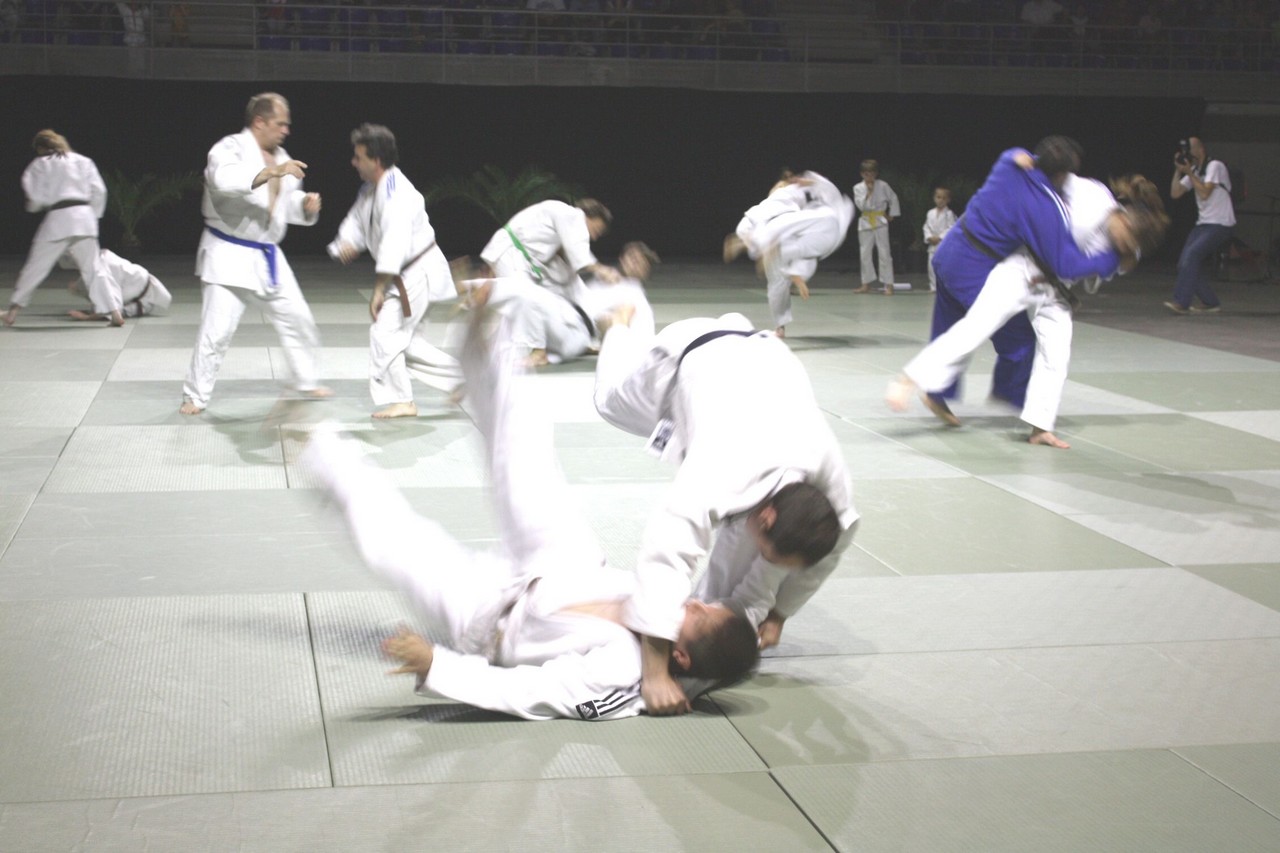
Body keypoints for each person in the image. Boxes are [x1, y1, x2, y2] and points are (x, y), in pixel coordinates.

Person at [301, 308, 759, 721]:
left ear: (680, 657)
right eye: (707, 604)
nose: (696, 601)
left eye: (701, 614)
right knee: (527, 451)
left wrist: (437, 666)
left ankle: (313, 442)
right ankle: (487, 338)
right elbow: (734, 602)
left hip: (486, 618)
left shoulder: (620, 673)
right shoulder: (678, 622)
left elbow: (531, 691)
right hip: (569, 565)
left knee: (395, 542)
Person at [593, 312, 858, 714]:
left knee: (743, 549)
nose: (764, 563)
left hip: (759, 360)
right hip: (686, 353)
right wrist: (655, 672)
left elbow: (829, 553)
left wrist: (780, 613)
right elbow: (665, 555)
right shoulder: (720, 468)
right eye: (768, 553)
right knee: (607, 402)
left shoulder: (831, 488)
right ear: (766, 516)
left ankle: (699, 641)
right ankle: (617, 326)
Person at [889, 174, 1167, 448]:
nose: (1122, 246)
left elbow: (1122, 261)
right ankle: (910, 379)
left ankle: (1040, 428)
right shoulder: (1092, 195)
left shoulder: (1124, 249)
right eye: (1125, 239)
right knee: (978, 325)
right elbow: (1046, 181)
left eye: (1128, 246)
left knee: (1056, 355)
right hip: (1023, 268)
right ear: (1124, 218)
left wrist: (1125, 256)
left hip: (1057, 291)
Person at [921, 137, 1125, 427]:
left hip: (948, 252)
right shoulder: (1040, 204)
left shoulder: (1010, 165)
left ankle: (935, 392)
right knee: (1019, 341)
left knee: (949, 326)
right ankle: (1012, 394)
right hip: (974, 267)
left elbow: (1013, 153)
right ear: (1061, 174)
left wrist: (1020, 153)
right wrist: (1109, 261)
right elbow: (1064, 265)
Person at [180, 92, 329, 416]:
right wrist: (271, 172)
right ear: (259, 121)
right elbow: (222, 181)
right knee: (217, 332)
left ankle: (305, 379)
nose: (286, 130)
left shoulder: (282, 156)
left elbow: (281, 205)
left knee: (298, 318)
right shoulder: (230, 148)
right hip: (228, 253)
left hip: (267, 254)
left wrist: (304, 206)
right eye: (280, 124)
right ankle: (196, 395)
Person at [327, 123, 458, 419]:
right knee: (407, 345)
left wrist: (377, 290)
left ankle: (403, 400)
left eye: (358, 157)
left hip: (416, 272)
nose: (353, 162)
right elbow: (356, 222)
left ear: (375, 160)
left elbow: (393, 245)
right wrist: (345, 244)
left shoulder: (396, 192)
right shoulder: (371, 189)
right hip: (408, 273)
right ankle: (468, 381)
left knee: (385, 333)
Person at [469, 240, 658, 367]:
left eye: (639, 262)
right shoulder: (607, 280)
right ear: (622, 258)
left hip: (573, 335)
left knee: (526, 294)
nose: (632, 263)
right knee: (521, 295)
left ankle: (465, 289)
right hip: (569, 325)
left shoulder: (636, 297)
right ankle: (487, 338)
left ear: (645, 271)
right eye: (631, 257)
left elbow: (642, 342)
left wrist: (609, 336)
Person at [5, 130, 115, 327]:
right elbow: (100, 191)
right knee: (94, 269)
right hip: (85, 218)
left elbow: (36, 198)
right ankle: (114, 312)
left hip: (59, 219)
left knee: (36, 267)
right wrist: (93, 215)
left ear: (41, 148)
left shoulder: (40, 164)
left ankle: (13, 312)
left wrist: (34, 206)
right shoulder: (83, 161)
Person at [724, 170, 854, 336]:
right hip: (776, 229)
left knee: (779, 278)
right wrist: (810, 182)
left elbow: (825, 191)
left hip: (772, 231)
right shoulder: (786, 193)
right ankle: (781, 322)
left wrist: (810, 182)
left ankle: (780, 325)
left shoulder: (791, 195)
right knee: (791, 260)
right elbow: (827, 191)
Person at [479, 198, 620, 302]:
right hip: (510, 253)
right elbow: (580, 254)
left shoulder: (563, 224)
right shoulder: (573, 215)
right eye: (596, 230)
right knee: (522, 300)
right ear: (590, 216)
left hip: (519, 259)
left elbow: (568, 262)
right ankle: (472, 290)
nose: (594, 237)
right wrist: (601, 270)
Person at [1166, 136, 1235, 315]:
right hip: (1203, 224)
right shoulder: (1195, 170)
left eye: (1189, 149)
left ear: (1200, 149)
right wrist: (1178, 171)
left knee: (1193, 255)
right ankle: (1210, 302)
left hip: (1220, 223)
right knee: (1184, 264)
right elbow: (1175, 193)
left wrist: (1189, 173)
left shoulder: (1215, 166)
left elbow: (1205, 193)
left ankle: (1181, 302)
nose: (1187, 153)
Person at [64, 248, 172, 321]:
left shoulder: (101, 267)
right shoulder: (102, 257)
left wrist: (86, 317)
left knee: (108, 304)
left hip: (142, 299)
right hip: (139, 284)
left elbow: (111, 305)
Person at [851, 159, 900, 295]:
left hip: (880, 221)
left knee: (884, 252)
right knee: (865, 253)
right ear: (862, 174)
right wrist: (869, 193)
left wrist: (892, 215)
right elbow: (861, 206)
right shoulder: (858, 188)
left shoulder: (883, 185)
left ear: (876, 173)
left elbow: (893, 198)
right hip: (865, 221)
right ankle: (865, 284)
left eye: (872, 173)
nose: (869, 177)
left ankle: (888, 284)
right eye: (866, 174)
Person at [922, 186, 957, 293]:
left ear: (948, 200)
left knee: (944, 266)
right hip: (932, 244)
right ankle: (933, 286)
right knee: (931, 266)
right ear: (934, 198)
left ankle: (945, 287)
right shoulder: (930, 213)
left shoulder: (949, 214)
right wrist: (929, 237)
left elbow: (951, 227)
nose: (941, 200)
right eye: (938, 197)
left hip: (944, 244)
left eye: (944, 198)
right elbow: (926, 226)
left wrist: (940, 237)